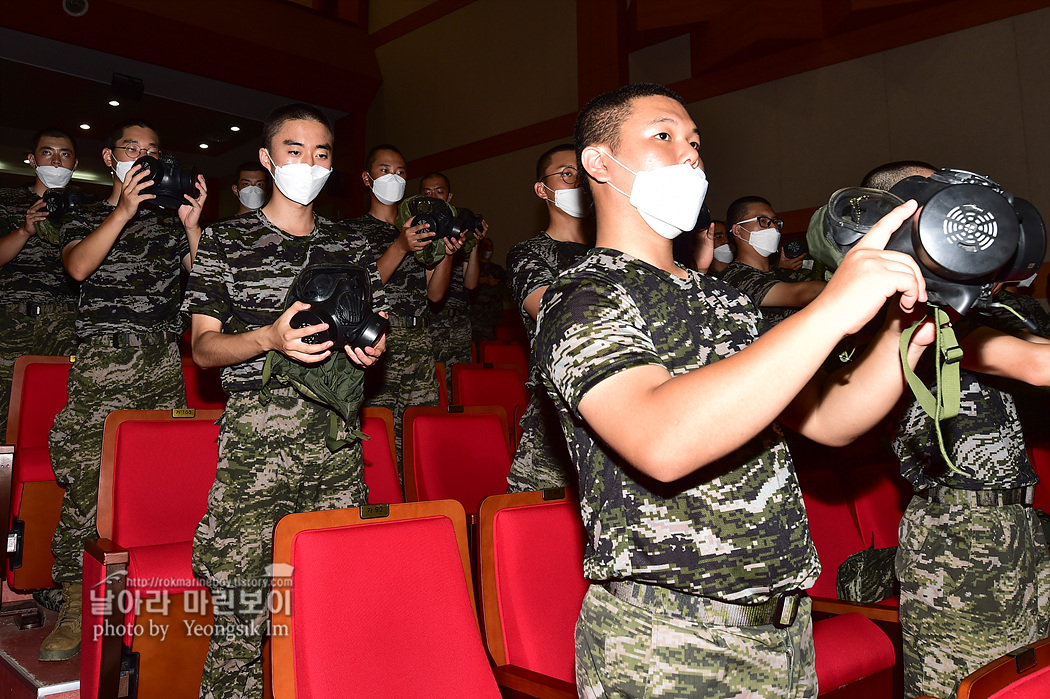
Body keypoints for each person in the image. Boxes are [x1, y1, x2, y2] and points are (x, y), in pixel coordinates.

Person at [535, 83, 932, 698]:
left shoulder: (719, 299)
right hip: (668, 644)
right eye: (663, 136)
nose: (689, 155)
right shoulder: (582, 296)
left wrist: (906, 331)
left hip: (782, 632)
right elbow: (659, 440)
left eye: (695, 142)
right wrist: (830, 310)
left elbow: (833, 418)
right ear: (599, 162)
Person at [185, 103, 386, 699]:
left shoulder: (351, 244)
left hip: (336, 444)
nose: (310, 163)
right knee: (244, 613)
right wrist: (269, 338)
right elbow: (202, 349)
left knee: (334, 601)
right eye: (295, 151)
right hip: (256, 444)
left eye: (322, 154)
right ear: (269, 160)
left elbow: (377, 326)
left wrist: (371, 350)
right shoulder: (225, 241)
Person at [850, 161, 1050, 699]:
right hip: (958, 541)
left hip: (1018, 525)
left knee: (1026, 685)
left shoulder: (977, 306)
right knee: (958, 689)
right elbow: (1036, 366)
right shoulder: (902, 313)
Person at [42, 119, 207, 662]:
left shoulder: (167, 221)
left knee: (155, 482)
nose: (143, 157)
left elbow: (206, 278)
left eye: (153, 151)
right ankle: (74, 599)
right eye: (132, 149)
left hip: (158, 362)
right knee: (88, 483)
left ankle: (147, 598)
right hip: (98, 366)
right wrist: (122, 211)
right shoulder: (85, 213)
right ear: (111, 156)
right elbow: (77, 266)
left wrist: (191, 226)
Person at [340, 145, 459, 458]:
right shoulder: (351, 231)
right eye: (384, 170)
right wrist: (400, 246)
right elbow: (359, 288)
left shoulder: (421, 228)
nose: (393, 177)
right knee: (380, 441)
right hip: (378, 345)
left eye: (401, 172)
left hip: (420, 343)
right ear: (367, 178)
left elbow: (435, 294)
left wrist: (446, 252)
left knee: (422, 440)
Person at [505, 143, 592, 493]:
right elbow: (549, 307)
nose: (577, 183)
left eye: (583, 175)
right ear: (543, 189)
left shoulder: (615, 251)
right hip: (557, 416)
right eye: (567, 174)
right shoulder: (529, 254)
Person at [0, 128, 81, 436]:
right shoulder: (7, 201)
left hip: (64, 321)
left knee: (56, 409)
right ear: (32, 159)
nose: (57, 161)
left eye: (65, 154)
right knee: (5, 411)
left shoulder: (86, 211)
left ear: (74, 163)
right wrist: (23, 231)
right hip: (11, 320)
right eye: (48, 153)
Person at [720, 196, 826, 332]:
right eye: (763, 221)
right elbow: (800, 295)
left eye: (775, 221)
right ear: (738, 230)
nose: (773, 227)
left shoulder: (784, 273)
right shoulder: (733, 279)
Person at [419, 171, 485, 389]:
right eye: (427, 193)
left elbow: (471, 283)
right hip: (430, 323)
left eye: (439, 192)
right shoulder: (419, 233)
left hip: (458, 324)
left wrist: (474, 244)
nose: (434, 197)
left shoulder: (461, 229)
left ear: (449, 196)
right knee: (432, 388)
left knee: (460, 387)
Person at [469, 236, 510, 345]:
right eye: (485, 246)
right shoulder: (473, 268)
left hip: (493, 319)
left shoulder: (498, 270)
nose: (488, 249)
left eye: (490, 246)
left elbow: (507, 288)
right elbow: (467, 284)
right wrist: (482, 280)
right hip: (476, 318)